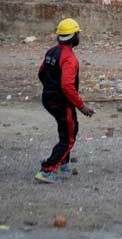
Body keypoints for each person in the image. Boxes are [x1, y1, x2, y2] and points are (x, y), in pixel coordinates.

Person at [35, 18, 95, 184]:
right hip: (61, 102)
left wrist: (49, 88)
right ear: (74, 36)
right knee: (68, 137)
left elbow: (41, 73)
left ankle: (63, 163)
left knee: (70, 128)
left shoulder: (51, 52)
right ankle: (47, 170)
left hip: (49, 99)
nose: (79, 36)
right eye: (78, 34)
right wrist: (82, 107)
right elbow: (67, 86)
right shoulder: (69, 58)